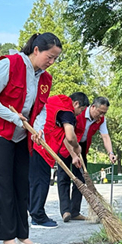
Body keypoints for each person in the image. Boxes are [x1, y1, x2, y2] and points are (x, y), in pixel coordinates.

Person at [0, 32, 62, 244]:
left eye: (55, 59)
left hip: (21, 133)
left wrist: (39, 128)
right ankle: (6, 239)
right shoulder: (10, 64)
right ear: (36, 50)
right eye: (49, 57)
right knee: (1, 183)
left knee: (21, 183)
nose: (51, 63)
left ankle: (23, 235)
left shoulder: (44, 78)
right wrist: (13, 117)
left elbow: (41, 109)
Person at [29, 92, 89, 228]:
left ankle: (34, 212)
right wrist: (77, 146)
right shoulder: (67, 112)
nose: (79, 114)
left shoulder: (55, 103)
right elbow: (69, 136)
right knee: (41, 181)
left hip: (33, 142)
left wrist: (74, 154)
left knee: (34, 181)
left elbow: (62, 135)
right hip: (41, 145)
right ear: (76, 103)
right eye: (80, 110)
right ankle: (38, 217)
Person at [61, 96, 117, 221]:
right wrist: (73, 155)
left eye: (104, 113)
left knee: (81, 178)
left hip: (82, 146)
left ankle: (74, 211)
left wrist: (110, 153)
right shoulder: (77, 113)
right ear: (92, 107)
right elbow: (66, 135)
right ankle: (65, 211)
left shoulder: (101, 120)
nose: (101, 115)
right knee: (64, 177)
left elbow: (105, 136)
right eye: (100, 112)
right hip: (66, 143)